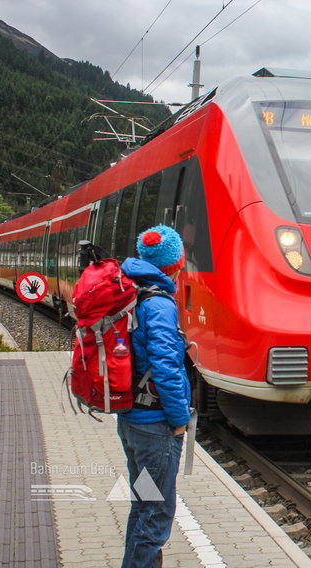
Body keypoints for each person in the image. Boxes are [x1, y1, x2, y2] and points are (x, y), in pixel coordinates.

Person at [117, 225, 190, 568]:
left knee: (144, 504)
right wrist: (178, 421)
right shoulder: (159, 303)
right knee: (157, 515)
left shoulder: (134, 291)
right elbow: (165, 368)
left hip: (132, 420)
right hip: (155, 425)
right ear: (174, 261)